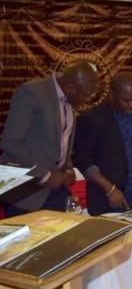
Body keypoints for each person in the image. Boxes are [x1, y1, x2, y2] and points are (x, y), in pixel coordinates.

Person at [0, 60, 100, 215]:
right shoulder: (32, 92)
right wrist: (45, 176)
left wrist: (68, 166)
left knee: (68, 228)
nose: (86, 100)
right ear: (70, 87)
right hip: (23, 191)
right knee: (27, 232)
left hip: (54, 188)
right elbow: (11, 143)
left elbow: (62, 141)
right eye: (85, 95)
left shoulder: (69, 98)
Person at [74, 71, 132, 215]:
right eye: (126, 101)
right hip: (110, 198)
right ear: (112, 95)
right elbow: (85, 162)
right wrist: (110, 189)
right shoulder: (92, 118)